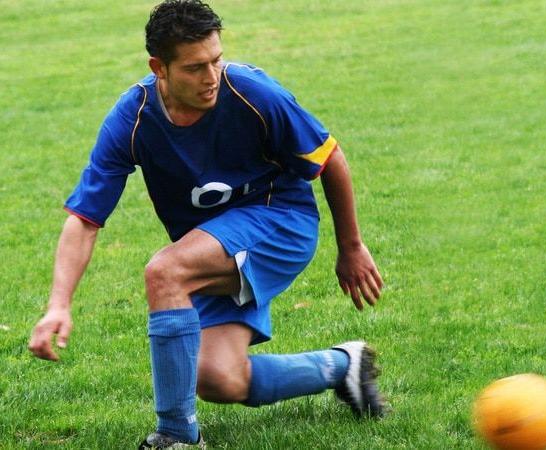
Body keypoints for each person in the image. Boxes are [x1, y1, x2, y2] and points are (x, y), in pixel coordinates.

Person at [28, 1, 385, 448]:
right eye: (195, 67)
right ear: (159, 67)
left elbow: (329, 157)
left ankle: (176, 436)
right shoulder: (133, 118)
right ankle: (341, 367)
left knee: (166, 271)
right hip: (214, 243)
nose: (211, 76)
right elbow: (85, 219)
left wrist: (350, 247)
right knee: (218, 379)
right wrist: (58, 305)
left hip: (282, 222)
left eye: (216, 60)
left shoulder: (253, 93)